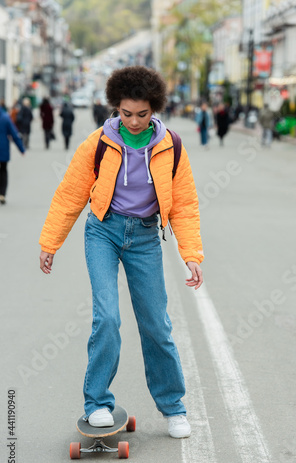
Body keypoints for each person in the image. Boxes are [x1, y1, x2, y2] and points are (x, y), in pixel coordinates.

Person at [39, 66, 204, 439]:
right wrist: (50, 243)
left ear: (155, 109)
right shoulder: (98, 142)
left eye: (141, 114)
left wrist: (191, 254)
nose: (132, 121)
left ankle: (173, 407)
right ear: (116, 107)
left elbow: (184, 205)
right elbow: (70, 195)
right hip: (103, 233)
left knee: (156, 326)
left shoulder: (171, 147)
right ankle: (97, 402)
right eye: (125, 113)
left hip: (145, 237)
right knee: (107, 318)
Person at [0, 107, 25, 204]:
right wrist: (21, 149)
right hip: (3, 150)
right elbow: (14, 134)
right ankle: (2, 194)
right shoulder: (5, 118)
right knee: (3, 171)